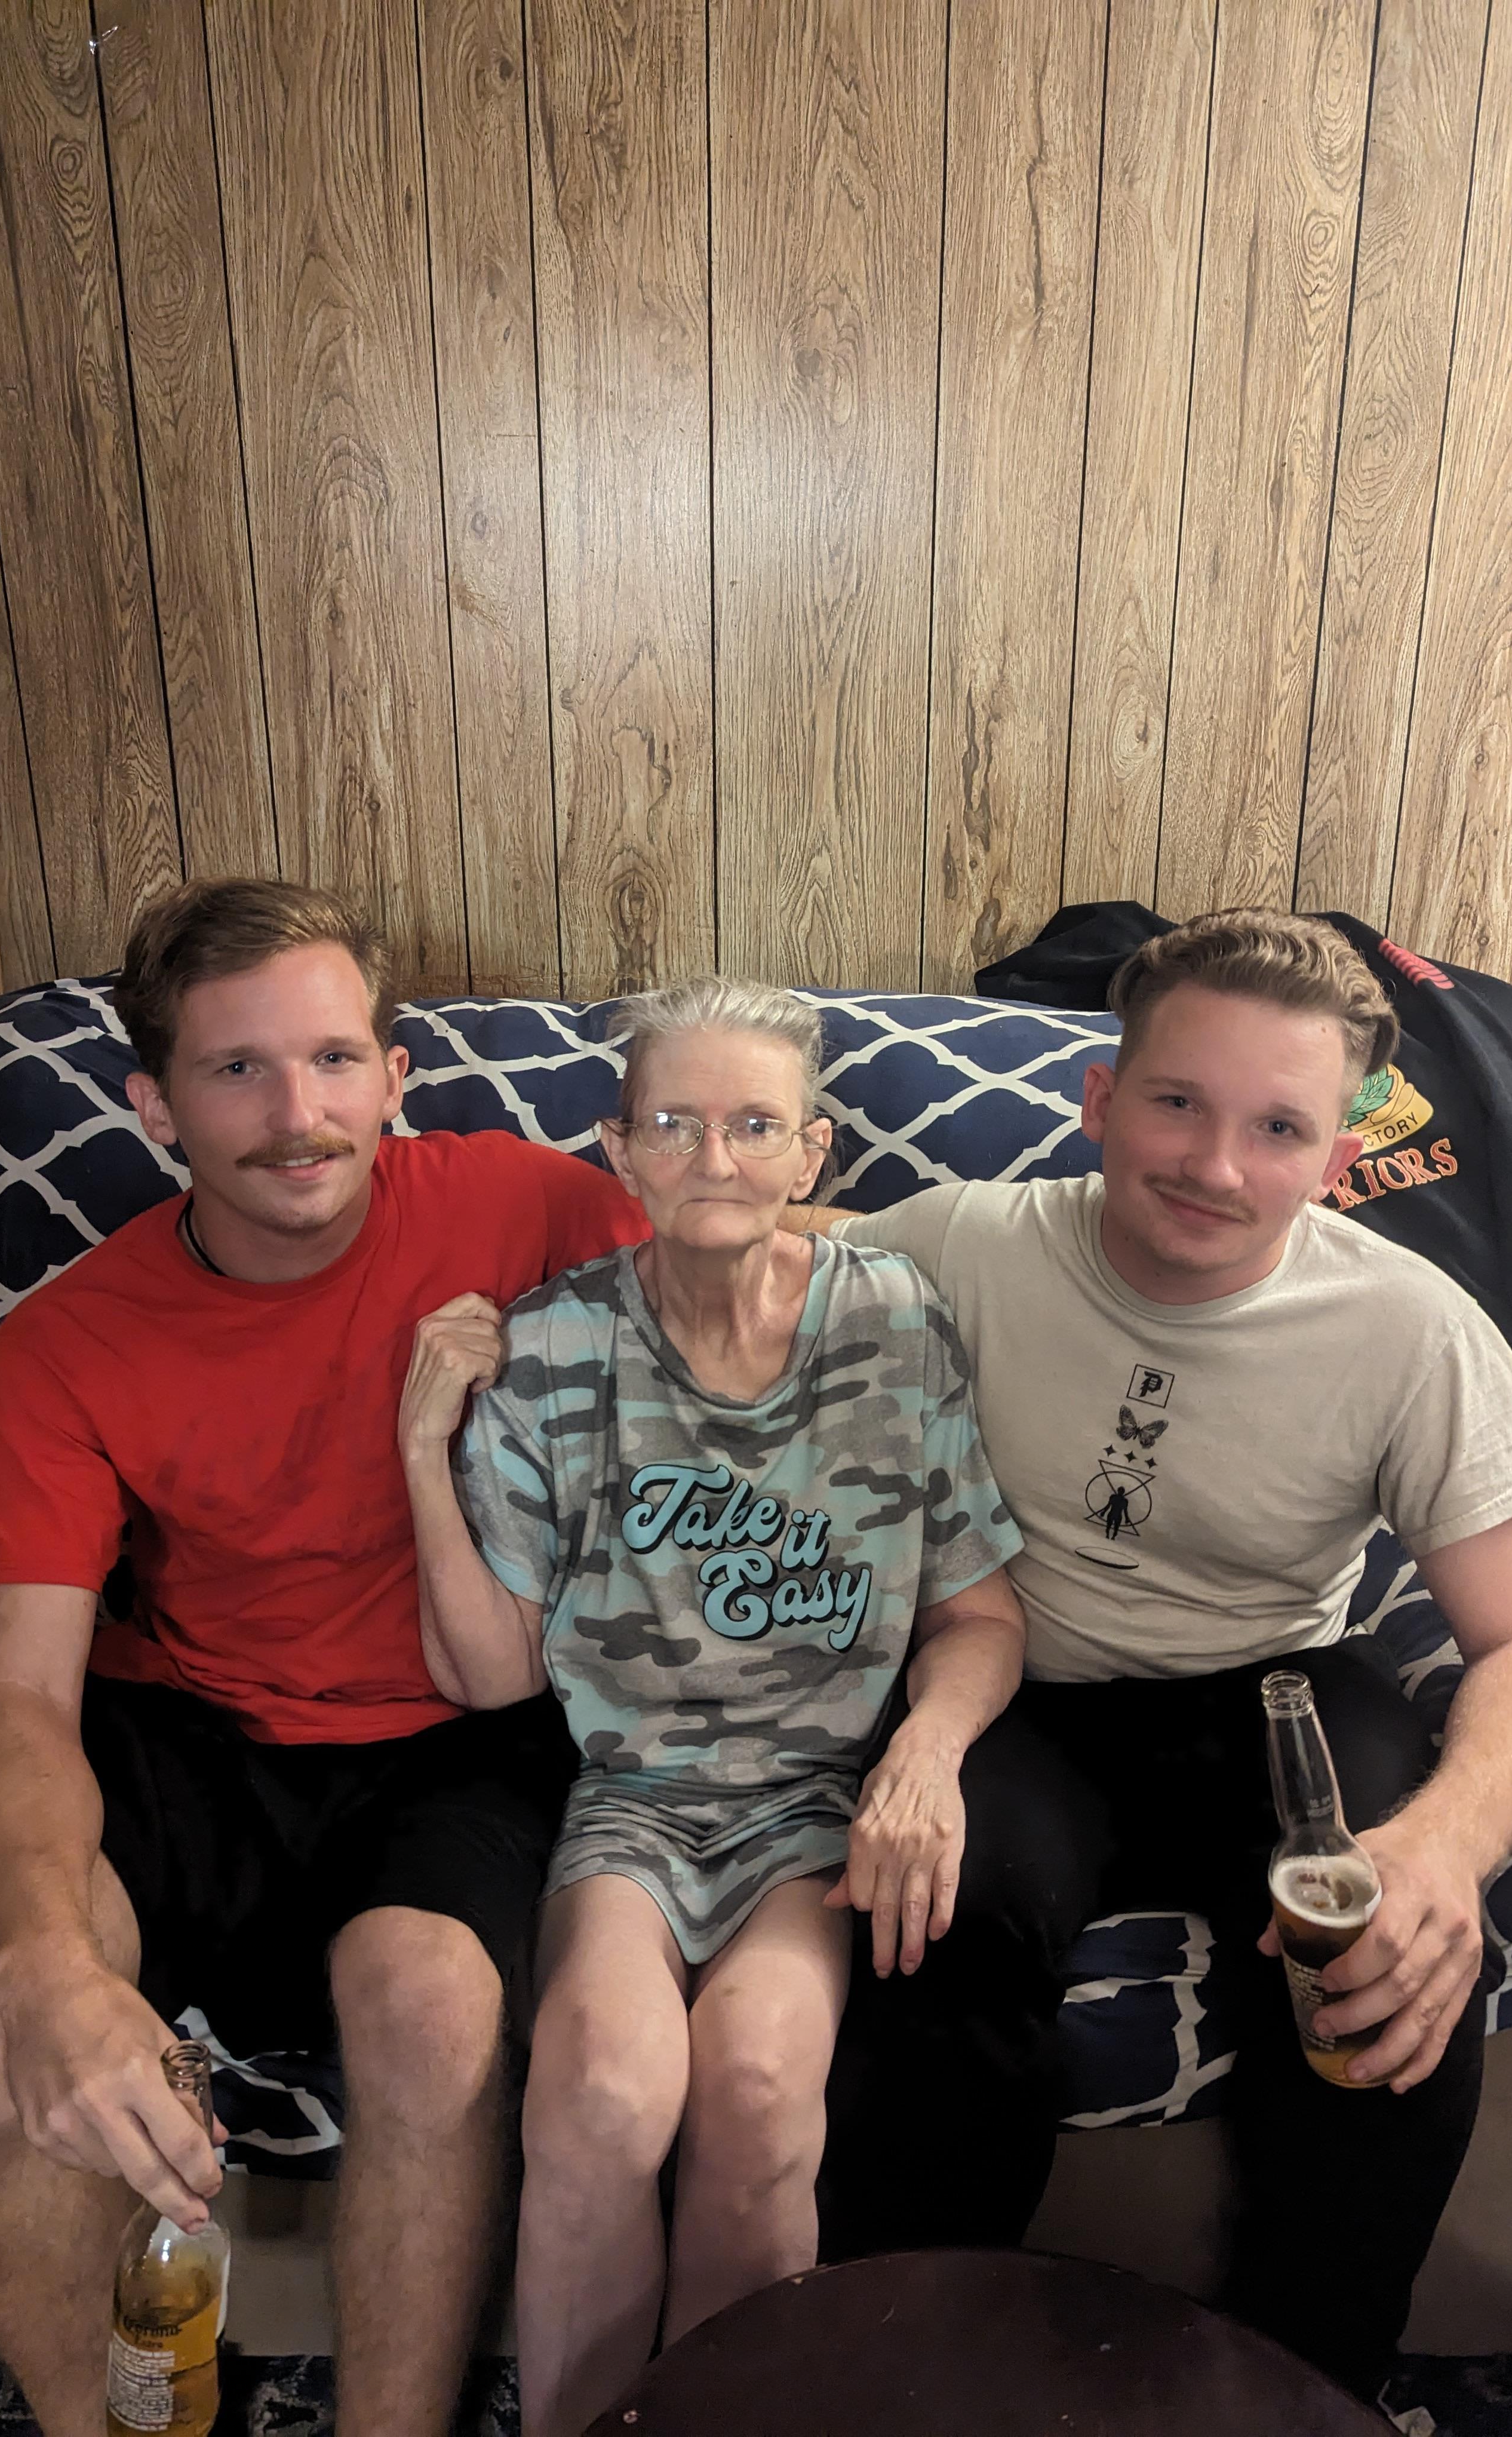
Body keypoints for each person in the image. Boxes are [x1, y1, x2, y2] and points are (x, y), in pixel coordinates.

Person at [0, 878, 649, 2437]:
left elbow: (761, 1247)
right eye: (238, 1070)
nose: (300, 1117)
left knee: (427, 1997)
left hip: (457, 1728)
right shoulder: (68, 1343)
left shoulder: (528, 1204)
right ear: (150, 1101)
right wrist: (40, 1973)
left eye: (335, 1061)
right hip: (192, 1732)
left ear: (396, 1075)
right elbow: (21, 1693)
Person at [809, 908, 1512, 2404]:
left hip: (1270, 1692)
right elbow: (734, 1269)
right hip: (1014, 1688)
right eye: (1176, 1102)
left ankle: (1310, 2392)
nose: (1215, 1167)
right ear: (1101, 1102)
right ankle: (904, 2380)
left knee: (1394, 1953)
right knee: (931, 1922)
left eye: (1277, 1127)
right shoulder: (962, 1245)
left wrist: (1443, 1849)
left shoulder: (1414, 1332)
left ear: (1339, 1156)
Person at [398, 977, 1025, 2437]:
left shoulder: (893, 1320)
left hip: (816, 1808)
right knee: (604, 2095)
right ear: (619, 1149)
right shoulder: (557, 1349)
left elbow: (983, 1615)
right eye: (672, 1125)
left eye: (754, 1126)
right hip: (630, 1804)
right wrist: (423, 1447)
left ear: (813, 1155)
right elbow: (489, 1674)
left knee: (752, 2083)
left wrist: (925, 1754)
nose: (714, 1161)